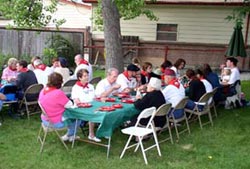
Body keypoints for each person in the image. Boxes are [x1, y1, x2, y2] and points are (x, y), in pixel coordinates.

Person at [39, 72, 80, 142]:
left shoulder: (43, 91)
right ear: (60, 82)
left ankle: (71, 135)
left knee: (69, 114)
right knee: (78, 117)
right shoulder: (58, 93)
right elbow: (69, 105)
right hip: (55, 122)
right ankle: (69, 135)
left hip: (45, 119)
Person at [71, 69, 101, 142]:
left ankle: (102, 131)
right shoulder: (75, 87)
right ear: (80, 78)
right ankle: (91, 134)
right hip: (80, 107)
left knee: (103, 110)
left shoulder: (90, 86)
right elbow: (76, 101)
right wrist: (86, 105)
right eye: (85, 76)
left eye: (87, 75)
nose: (87, 77)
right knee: (93, 113)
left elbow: (94, 97)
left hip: (91, 105)